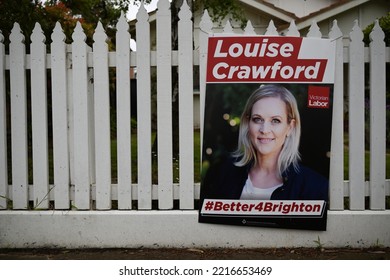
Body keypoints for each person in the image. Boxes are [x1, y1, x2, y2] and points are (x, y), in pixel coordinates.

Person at [201, 84, 329, 202]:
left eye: (275, 120)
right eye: (257, 119)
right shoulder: (221, 173)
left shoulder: (315, 186)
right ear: (248, 123)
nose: (264, 130)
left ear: (290, 127)